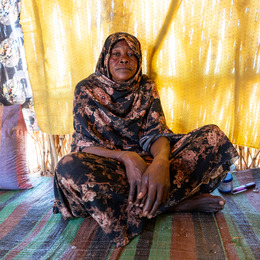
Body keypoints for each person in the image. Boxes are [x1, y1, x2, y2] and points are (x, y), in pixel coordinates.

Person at [53, 32, 239, 247]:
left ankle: (151, 200)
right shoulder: (86, 89)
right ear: (105, 57)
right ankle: (175, 204)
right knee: (68, 167)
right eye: (116, 53)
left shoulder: (146, 86)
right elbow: (84, 145)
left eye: (132, 54)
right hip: (108, 168)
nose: (124, 59)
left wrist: (161, 162)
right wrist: (126, 157)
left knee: (212, 136)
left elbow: (156, 133)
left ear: (138, 61)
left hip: (148, 166)